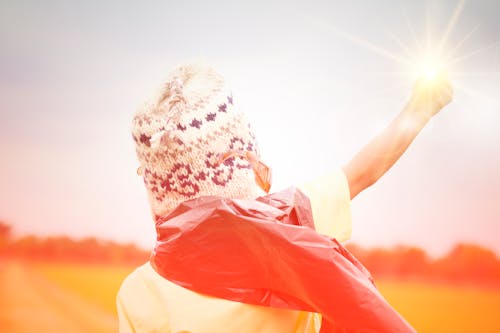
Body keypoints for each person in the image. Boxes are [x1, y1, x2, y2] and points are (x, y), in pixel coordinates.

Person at [117, 62, 452, 333]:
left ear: (156, 183)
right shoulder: (290, 220)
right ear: (241, 158)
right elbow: (364, 173)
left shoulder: (138, 295)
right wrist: (420, 108)